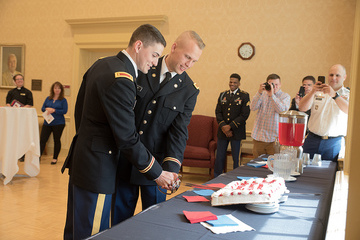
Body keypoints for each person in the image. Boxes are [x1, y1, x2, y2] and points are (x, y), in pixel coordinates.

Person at [60, 24, 178, 240]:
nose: (154, 62)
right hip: (98, 170)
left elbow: (80, 114)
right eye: (154, 55)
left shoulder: (101, 65)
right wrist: (158, 174)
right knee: (93, 234)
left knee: (75, 230)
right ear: (138, 45)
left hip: (84, 161)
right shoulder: (122, 79)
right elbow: (127, 139)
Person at [112, 31, 205, 225]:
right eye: (187, 57)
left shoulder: (189, 89)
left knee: (154, 224)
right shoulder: (142, 66)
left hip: (156, 168)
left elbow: (178, 132)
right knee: (120, 221)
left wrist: (170, 170)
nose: (189, 64)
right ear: (173, 48)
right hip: (126, 161)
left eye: (194, 61)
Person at [299, 64, 349, 161]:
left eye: (337, 75)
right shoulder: (317, 92)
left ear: (344, 77)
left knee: (329, 173)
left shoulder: (348, 94)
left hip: (334, 143)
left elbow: (350, 111)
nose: (333, 78)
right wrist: (313, 91)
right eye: (331, 75)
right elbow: (302, 107)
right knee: (305, 171)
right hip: (312, 139)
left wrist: (334, 95)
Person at [214, 73, 250, 177]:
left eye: (234, 82)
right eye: (230, 82)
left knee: (236, 158)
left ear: (239, 83)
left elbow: (244, 114)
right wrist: (224, 127)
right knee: (219, 156)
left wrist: (230, 127)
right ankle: (217, 178)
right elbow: (218, 112)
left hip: (237, 131)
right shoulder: (223, 95)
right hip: (222, 132)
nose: (232, 84)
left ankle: (235, 179)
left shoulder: (244, 95)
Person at [250, 74, 290, 158]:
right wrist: (259, 92)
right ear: (267, 83)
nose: (274, 87)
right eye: (272, 84)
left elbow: (282, 111)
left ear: (280, 85)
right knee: (257, 166)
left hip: (274, 139)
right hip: (259, 137)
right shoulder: (262, 94)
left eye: (276, 84)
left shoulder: (285, 96)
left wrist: (272, 96)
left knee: (274, 167)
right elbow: (253, 107)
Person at [39, 82, 68, 164]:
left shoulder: (63, 100)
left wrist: (54, 110)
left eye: (58, 88)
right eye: (55, 88)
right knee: (42, 140)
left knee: (56, 140)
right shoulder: (48, 98)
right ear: (53, 89)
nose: (57, 90)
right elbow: (42, 108)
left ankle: (55, 158)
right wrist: (47, 109)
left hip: (59, 123)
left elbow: (64, 111)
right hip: (47, 123)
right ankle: (39, 156)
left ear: (61, 90)